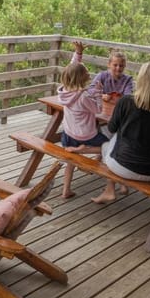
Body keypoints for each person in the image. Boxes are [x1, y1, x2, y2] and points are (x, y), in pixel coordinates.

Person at [92, 61, 150, 204]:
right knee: (121, 142)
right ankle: (118, 187)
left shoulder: (126, 101)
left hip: (121, 167)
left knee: (109, 144)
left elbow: (112, 128)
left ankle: (110, 190)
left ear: (142, 79)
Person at [57, 43, 107, 198]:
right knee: (108, 146)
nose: (89, 73)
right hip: (86, 135)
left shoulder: (64, 90)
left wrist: (78, 53)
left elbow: (72, 67)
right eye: (86, 71)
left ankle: (66, 190)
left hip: (68, 133)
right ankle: (85, 151)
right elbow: (98, 110)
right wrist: (98, 93)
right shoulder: (83, 97)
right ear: (81, 77)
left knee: (70, 161)